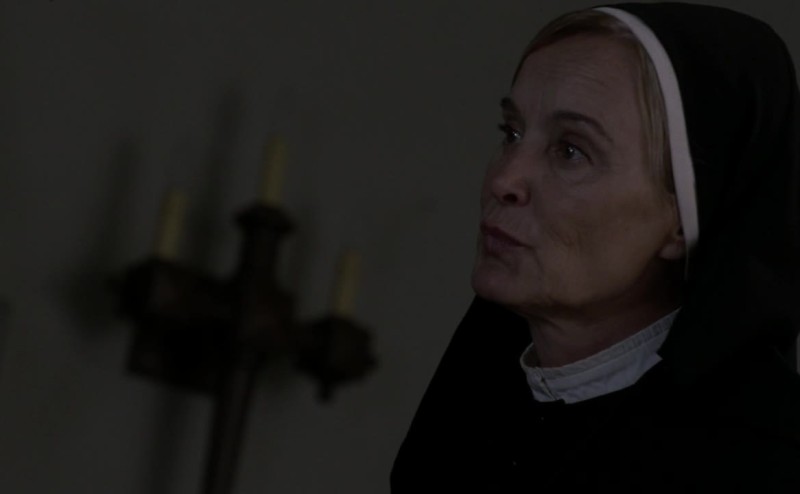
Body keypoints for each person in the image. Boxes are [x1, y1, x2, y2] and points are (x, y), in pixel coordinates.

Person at [391, 3, 800, 492]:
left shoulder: (766, 465)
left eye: (571, 150)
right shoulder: (462, 419)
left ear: (683, 220)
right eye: (512, 133)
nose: (504, 179)